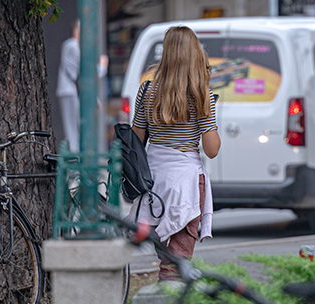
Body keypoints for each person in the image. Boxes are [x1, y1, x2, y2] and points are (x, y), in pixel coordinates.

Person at [130, 26, 221, 282]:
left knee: (166, 259)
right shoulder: (200, 95)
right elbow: (212, 150)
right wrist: (208, 112)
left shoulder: (146, 91)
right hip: (186, 183)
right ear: (195, 54)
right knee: (176, 264)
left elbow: (136, 140)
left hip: (154, 182)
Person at [56, 19, 108, 152]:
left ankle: (76, 159)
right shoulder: (72, 46)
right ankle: (75, 161)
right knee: (73, 129)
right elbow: (82, 74)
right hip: (69, 91)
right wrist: (101, 68)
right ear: (75, 31)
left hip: (71, 91)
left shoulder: (74, 46)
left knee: (75, 128)